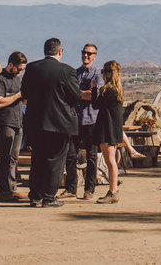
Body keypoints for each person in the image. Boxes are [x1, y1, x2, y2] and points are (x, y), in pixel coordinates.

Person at [20, 38, 80, 208]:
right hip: (60, 123)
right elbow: (75, 96)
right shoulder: (67, 71)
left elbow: (24, 92)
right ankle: (48, 196)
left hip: (36, 122)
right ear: (60, 52)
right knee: (55, 160)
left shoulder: (32, 68)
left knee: (37, 159)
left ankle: (35, 196)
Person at [60, 43, 103, 201]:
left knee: (91, 156)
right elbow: (68, 93)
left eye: (89, 53)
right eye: (84, 53)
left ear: (95, 56)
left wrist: (77, 93)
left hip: (91, 119)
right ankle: (71, 188)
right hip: (75, 119)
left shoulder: (98, 74)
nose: (86, 56)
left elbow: (93, 96)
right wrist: (82, 93)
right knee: (70, 155)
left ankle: (89, 189)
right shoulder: (74, 73)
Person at [0, 51, 27, 203]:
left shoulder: (18, 79)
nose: (20, 72)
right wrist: (18, 95)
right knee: (5, 158)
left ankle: (12, 188)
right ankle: (4, 191)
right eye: (18, 69)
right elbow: (0, 102)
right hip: (5, 122)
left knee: (13, 158)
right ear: (10, 65)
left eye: (22, 69)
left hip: (18, 122)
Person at [91, 60, 125, 204]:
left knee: (110, 161)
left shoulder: (106, 90)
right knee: (113, 161)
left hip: (106, 128)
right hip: (115, 129)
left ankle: (113, 190)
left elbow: (95, 105)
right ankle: (113, 190)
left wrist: (93, 90)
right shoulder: (118, 91)